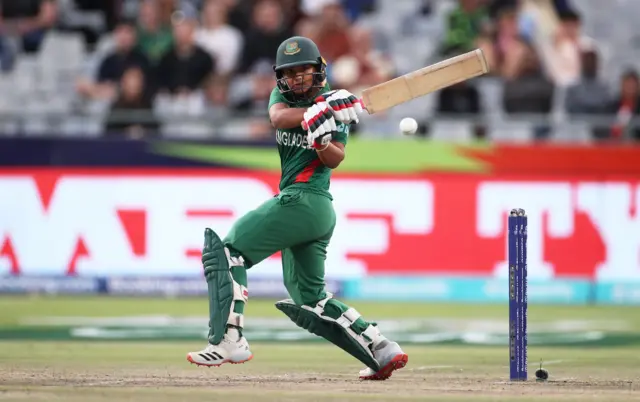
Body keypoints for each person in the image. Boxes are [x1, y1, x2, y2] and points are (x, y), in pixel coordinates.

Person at [186, 36, 409, 381]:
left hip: (307, 199)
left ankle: (228, 339)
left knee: (227, 251)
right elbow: (277, 118)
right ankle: (380, 348)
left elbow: (336, 158)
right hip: (309, 209)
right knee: (310, 299)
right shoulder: (286, 98)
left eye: (304, 70)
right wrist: (316, 111)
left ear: (318, 69)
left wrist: (321, 139)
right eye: (290, 72)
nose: (297, 78)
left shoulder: (338, 107)